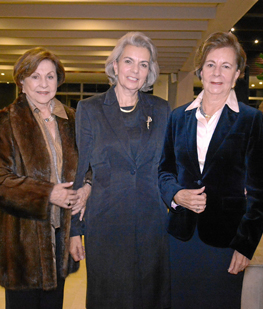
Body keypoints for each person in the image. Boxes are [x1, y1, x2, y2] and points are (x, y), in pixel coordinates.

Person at [158, 31, 263, 308]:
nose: (217, 73)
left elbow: (259, 193)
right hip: (181, 238)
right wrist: (176, 195)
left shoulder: (251, 120)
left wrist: (246, 245)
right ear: (200, 70)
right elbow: (164, 171)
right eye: (210, 64)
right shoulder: (177, 117)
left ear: (237, 74)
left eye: (226, 66)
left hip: (226, 240)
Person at [0, 47, 90, 309]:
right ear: (22, 81)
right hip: (22, 241)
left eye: (50, 76)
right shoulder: (2, 121)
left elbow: (88, 167)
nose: (43, 84)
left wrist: (87, 189)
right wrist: (48, 193)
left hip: (61, 236)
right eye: (35, 76)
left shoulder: (73, 120)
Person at [73, 32, 171, 308]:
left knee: (150, 297)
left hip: (151, 224)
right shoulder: (89, 109)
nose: (135, 70)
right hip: (106, 225)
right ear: (115, 65)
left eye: (143, 64)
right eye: (128, 61)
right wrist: (73, 230)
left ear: (149, 71)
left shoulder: (161, 110)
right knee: (108, 298)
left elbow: (170, 163)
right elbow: (80, 170)